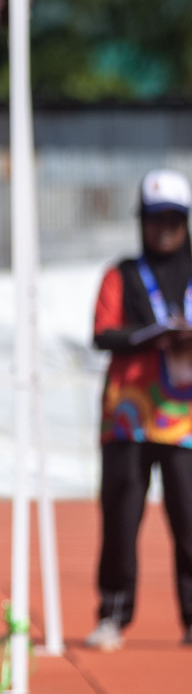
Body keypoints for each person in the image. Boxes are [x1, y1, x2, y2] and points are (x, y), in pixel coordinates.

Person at [87, 170, 192, 651]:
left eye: (173, 219)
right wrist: (146, 336)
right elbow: (101, 332)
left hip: (185, 419)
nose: (164, 228)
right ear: (142, 222)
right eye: (155, 219)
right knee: (121, 517)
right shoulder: (121, 274)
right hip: (127, 416)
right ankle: (112, 612)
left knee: (189, 518)